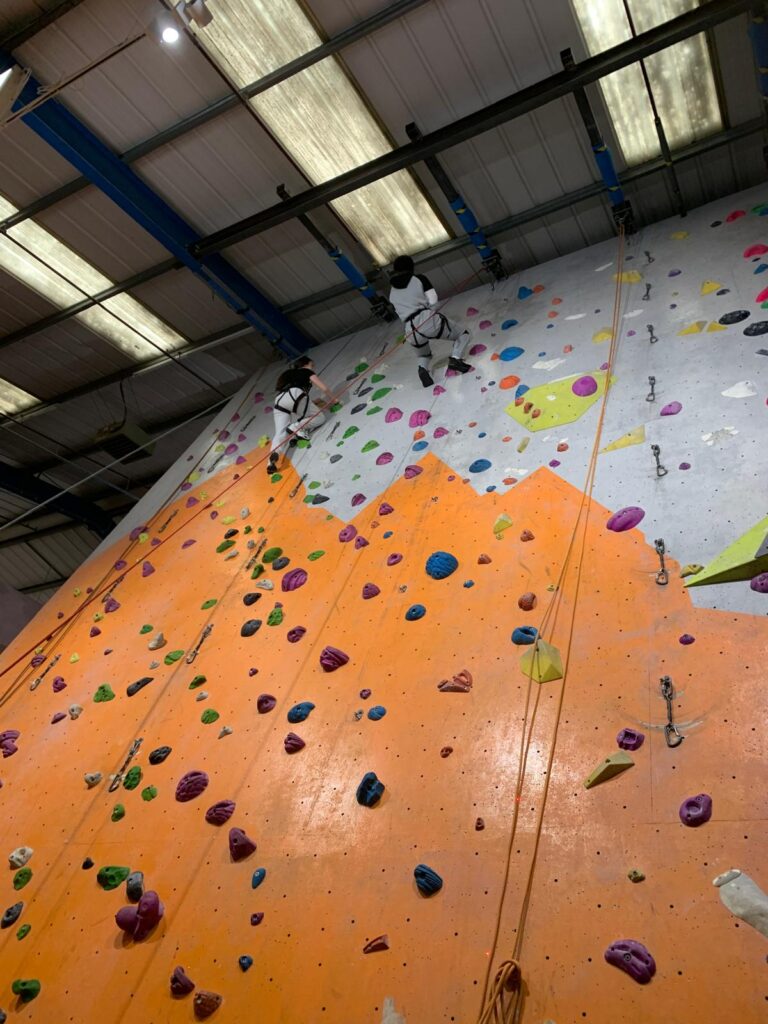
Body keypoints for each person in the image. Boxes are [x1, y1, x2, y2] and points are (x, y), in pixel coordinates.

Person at [388, 254, 472, 387]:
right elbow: (433, 299)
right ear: (411, 267)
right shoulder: (418, 278)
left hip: (410, 330)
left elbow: (399, 311)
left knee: (424, 355)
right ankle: (456, 359)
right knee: (463, 334)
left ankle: (422, 369)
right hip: (426, 319)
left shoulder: (392, 291)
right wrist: (430, 308)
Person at [267, 356, 335, 474]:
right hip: (295, 394)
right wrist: (334, 399)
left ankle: (272, 460)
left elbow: (295, 402)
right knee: (320, 418)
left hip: (279, 400)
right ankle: (296, 427)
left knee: (280, 432)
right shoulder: (306, 371)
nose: (313, 368)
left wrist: (314, 403)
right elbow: (324, 388)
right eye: (312, 365)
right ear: (307, 364)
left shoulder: (289, 374)